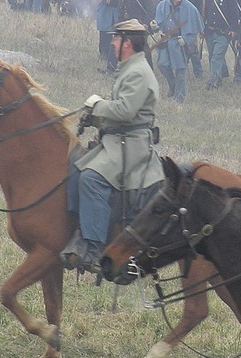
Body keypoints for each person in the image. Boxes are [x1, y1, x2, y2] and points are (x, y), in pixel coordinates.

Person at [64, 21, 165, 275]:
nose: (112, 43)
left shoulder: (139, 72)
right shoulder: (130, 68)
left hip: (131, 145)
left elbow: (125, 110)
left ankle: (95, 247)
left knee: (91, 179)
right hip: (117, 139)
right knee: (75, 166)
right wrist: (95, 119)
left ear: (127, 43)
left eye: (116, 39)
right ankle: (80, 230)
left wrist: (96, 105)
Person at [153, 0, 203, 103]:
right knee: (162, 64)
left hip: (180, 42)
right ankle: (174, 86)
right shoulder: (162, 5)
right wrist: (155, 26)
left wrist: (185, 39)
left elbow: (195, 29)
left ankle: (179, 98)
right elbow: (158, 22)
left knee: (180, 69)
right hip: (165, 40)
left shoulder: (191, 8)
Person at [91, 0, 126, 73]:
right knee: (104, 34)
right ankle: (104, 57)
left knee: (119, 34)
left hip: (118, 8)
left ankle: (118, 60)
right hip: (105, 9)